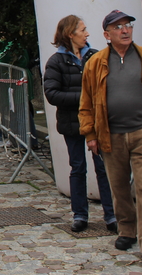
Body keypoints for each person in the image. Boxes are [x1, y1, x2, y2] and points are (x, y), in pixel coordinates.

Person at [79, 10, 142, 270]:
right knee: (119, 187)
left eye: (128, 25)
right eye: (118, 26)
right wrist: (90, 134)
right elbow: (85, 102)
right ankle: (127, 230)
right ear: (107, 34)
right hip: (110, 135)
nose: (125, 30)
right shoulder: (96, 62)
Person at [43, 15, 116, 234]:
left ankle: (111, 214)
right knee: (78, 167)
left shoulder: (95, 57)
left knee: (103, 167)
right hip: (72, 122)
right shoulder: (56, 61)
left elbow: (108, 85)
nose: (87, 33)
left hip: (97, 122)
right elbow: (52, 94)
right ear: (70, 34)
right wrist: (84, 98)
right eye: (83, 30)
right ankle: (80, 214)